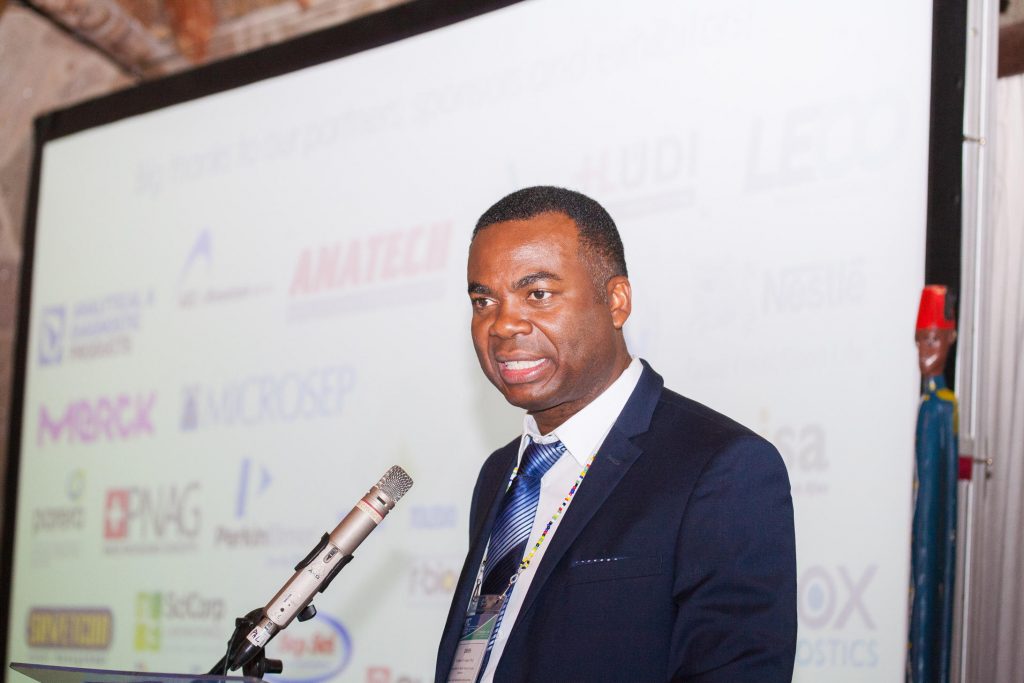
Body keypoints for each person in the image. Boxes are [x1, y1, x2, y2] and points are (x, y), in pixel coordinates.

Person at [435, 186, 796, 682]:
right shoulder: (500, 472)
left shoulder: (721, 469)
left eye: (537, 295)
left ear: (617, 302)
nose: (502, 325)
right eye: (484, 300)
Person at [906, 284, 959, 683]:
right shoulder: (927, 406)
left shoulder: (942, 409)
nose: (926, 349)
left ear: (951, 338)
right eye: (921, 340)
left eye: (935, 339)